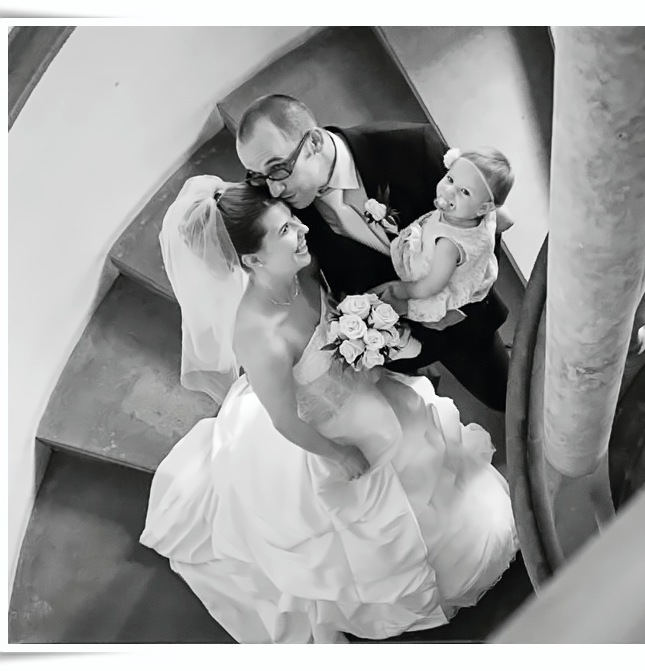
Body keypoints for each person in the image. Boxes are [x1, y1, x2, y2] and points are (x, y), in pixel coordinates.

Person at [140, 176, 519, 643]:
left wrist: (375, 341)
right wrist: (339, 456)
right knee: (381, 522)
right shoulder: (259, 337)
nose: (302, 230)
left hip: (368, 393)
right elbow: (284, 420)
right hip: (325, 430)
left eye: (291, 220)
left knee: (431, 461)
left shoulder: (303, 269)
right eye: (285, 231)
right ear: (253, 260)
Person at [235, 94, 512, 411]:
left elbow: (481, 227)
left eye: (278, 169)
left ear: (313, 142)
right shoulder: (284, 212)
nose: (273, 189)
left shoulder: (411, 146)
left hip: (464, 324)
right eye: (259, 176)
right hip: (393, 346)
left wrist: (454, 301)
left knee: (503, 395)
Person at [373, 146, 514, 332]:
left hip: (439, 280)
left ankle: (444, 315)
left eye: (464, 192)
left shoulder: (448, 245)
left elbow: (432, 285)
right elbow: (508, 221)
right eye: (450, 179)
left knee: (399, 301)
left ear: (484, 208)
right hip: (472, 268)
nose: (448, 191)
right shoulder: (487, 214)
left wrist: (404, 290)